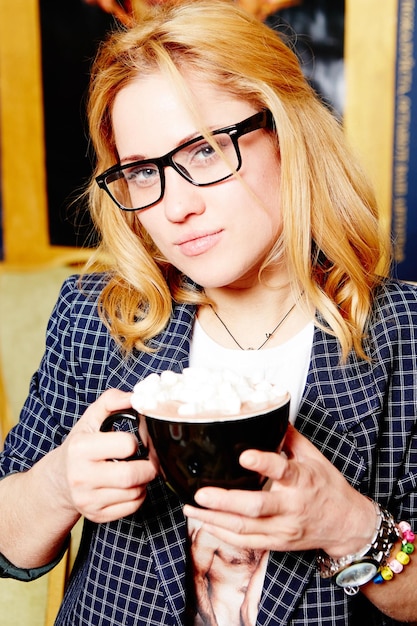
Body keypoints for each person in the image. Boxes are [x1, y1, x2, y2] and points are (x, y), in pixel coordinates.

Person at [0, 1, 416, 624]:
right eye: (142, 172)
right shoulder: (99, 317)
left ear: (286, 134)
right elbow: (10, 547)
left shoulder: (403, 334)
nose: (175, 208)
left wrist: (348, 525)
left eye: (204, 152)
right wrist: (59, 484)